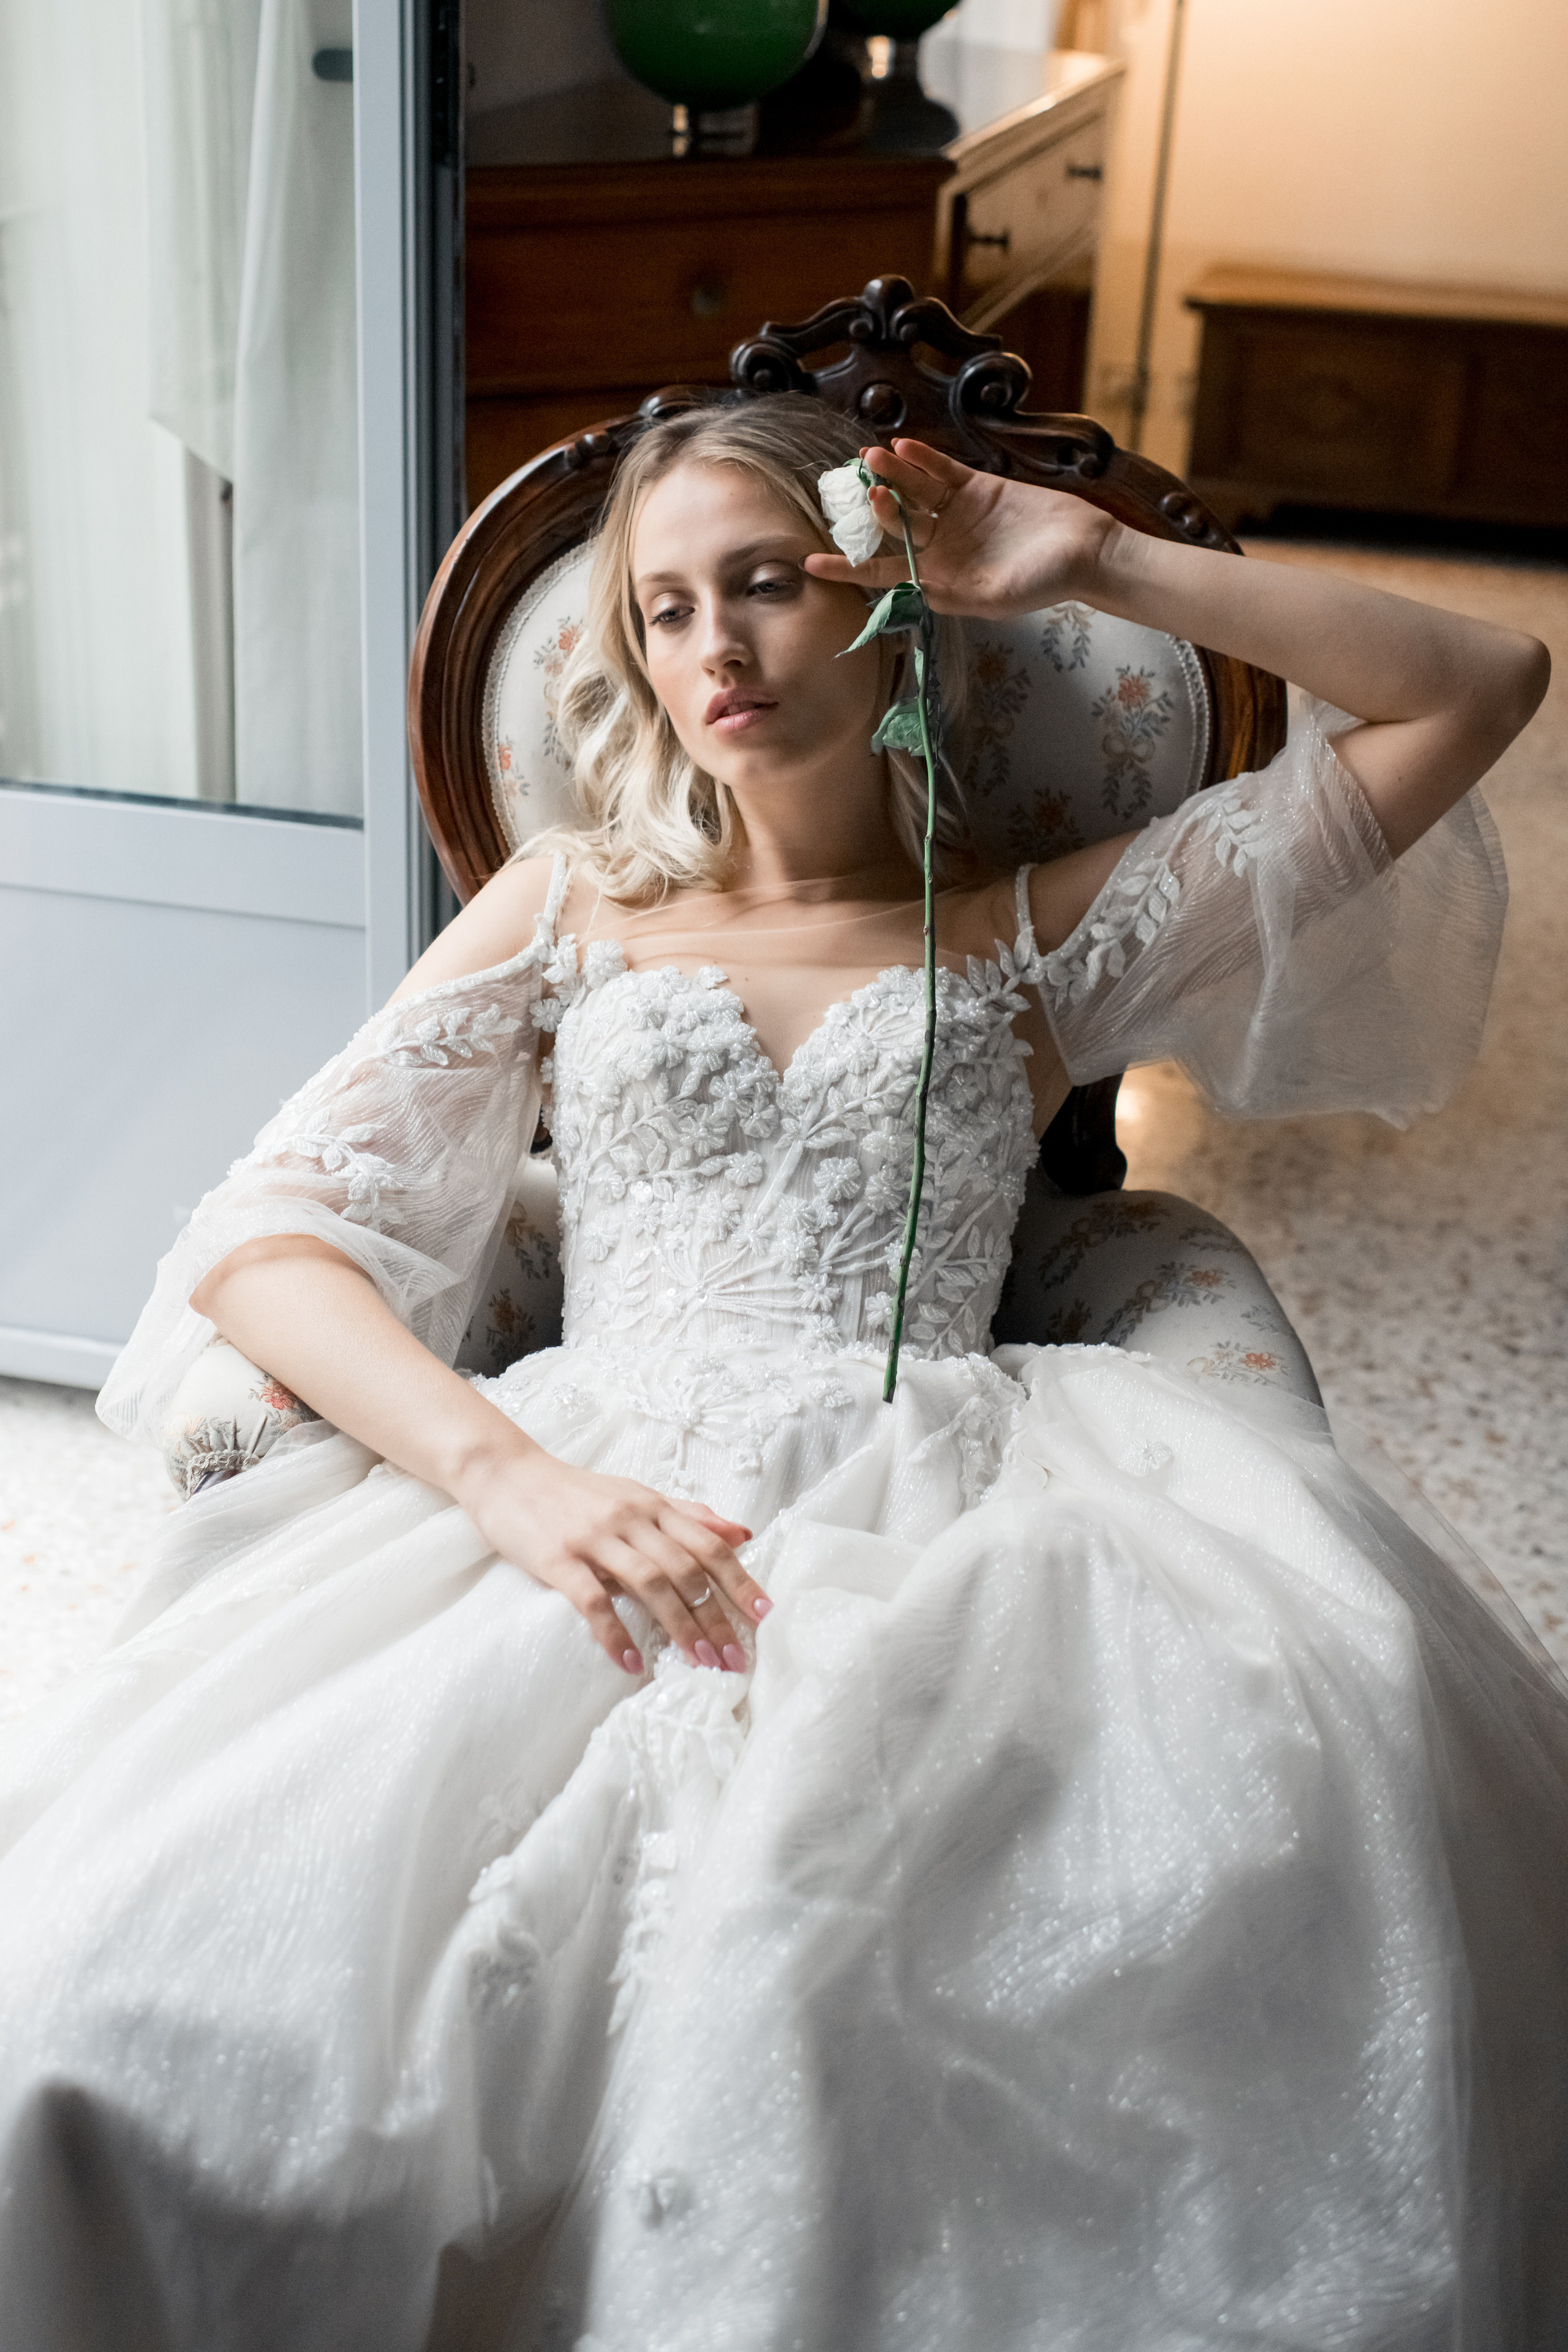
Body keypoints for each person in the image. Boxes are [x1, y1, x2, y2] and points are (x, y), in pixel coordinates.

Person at [1, 394, 1562, 2352]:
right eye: (664, 611)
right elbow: (263, 1235)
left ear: (887, 598)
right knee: (141, 2011)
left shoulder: (1034, 939)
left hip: (941, 1516)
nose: (715, 648)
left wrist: (1089, 557)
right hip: (573, 1483)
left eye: (765, 583)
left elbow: (1482, 684)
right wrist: (507, 1479)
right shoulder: (571, 906)